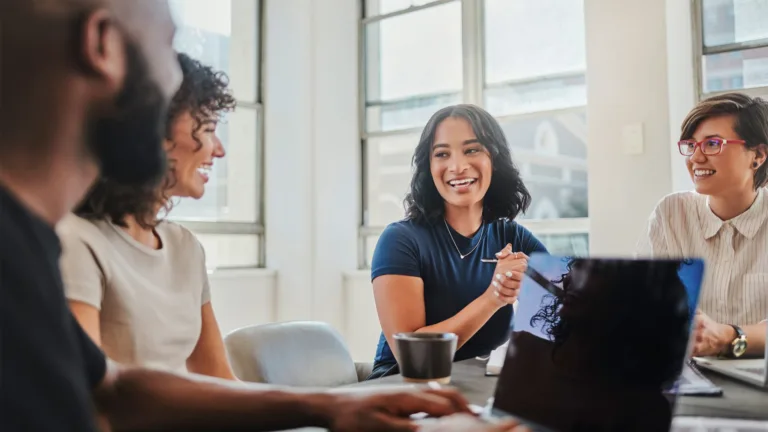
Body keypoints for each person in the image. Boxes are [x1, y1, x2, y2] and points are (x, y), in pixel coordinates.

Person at [0, 1, 519, 431]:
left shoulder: (33, 241)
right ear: (103, 45)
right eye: (167, 48)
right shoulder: (51, 246)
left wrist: (330, 405)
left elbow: (112, 384)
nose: (218, 149)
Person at [58, 52, 236, 380]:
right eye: (208, 127)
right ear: (155, 129)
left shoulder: (185, 246)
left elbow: (220, 378)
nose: (219, 149)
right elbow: (94, 396)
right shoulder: (76, 242)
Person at [370, 104, 548, 379]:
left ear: (494, 159)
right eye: (442, 154)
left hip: (478, 384)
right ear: (429, 167)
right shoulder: (400, 240)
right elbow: (414, 356)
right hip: (404, 387)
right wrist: (495, 296)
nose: (457, 166)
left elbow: (571, 305)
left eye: (472, 150)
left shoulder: (512, 237)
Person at [638, 93, 768, 358]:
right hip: (683, 379)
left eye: (712, 144)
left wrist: (727, 336)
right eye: (690, 145)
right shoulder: (671, 214)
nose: (695, 158)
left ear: (758, 155)